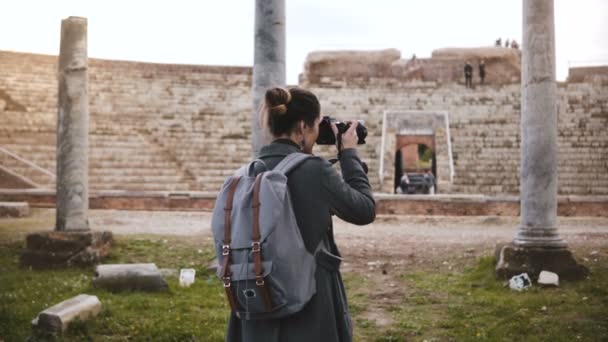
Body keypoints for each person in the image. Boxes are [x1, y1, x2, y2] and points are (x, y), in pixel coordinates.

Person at [226, 87, 376, 342]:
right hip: (308, 303)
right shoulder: (314, 171)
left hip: (256, 296)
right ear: (304, 127)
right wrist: (348, 153)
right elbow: (364, 210)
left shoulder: (244, 174)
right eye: (317, 125)